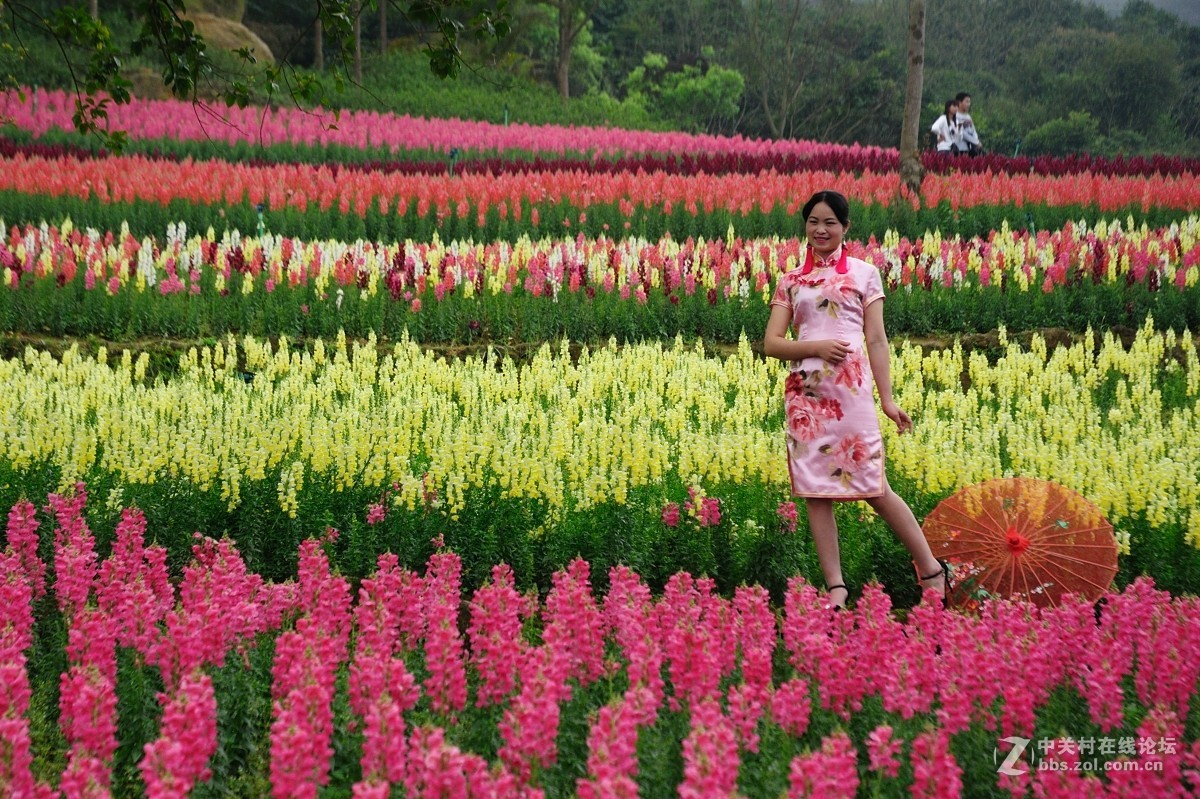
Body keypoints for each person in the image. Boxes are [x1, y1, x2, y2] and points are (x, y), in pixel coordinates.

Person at [764, 190, 948, 610]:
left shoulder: (865, 274)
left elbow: (877, 339)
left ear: (846, 228)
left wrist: (888, 399)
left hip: (852, 393)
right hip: (807, 397)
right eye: (813, 221)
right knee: (815, 490)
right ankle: (836, 588)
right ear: (805, 226)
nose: (821, 230)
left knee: (874, 486)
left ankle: (932, 569)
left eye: (830, 222)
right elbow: (771, 343)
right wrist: (816, 347)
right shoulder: (791, 280)